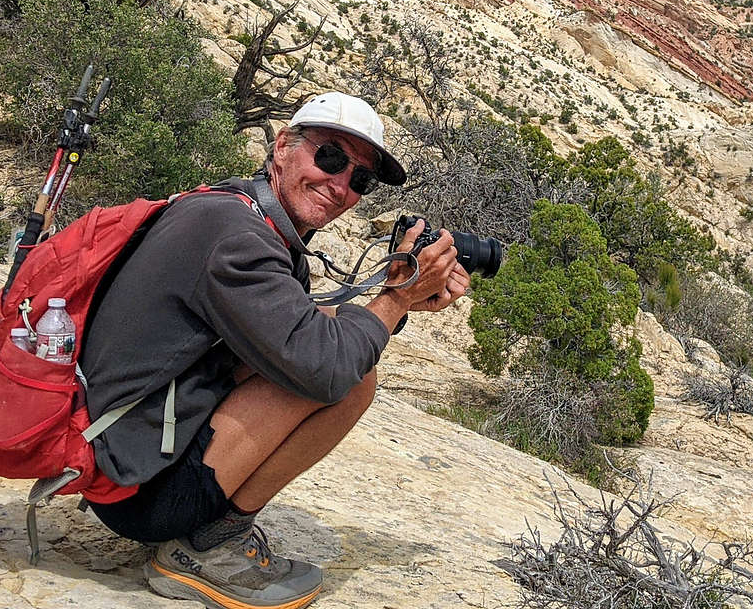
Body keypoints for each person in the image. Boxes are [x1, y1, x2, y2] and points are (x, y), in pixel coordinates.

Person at [77, 91, 468, 609]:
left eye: (359, 179)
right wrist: (395, 299)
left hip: (126, 457)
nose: (340, 183)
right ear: (283, 147)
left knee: (331, 334)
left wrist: (399, 303)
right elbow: (326, 370)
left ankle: (210, 531)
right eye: (329, 157)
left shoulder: (246, 216)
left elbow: (293, 341)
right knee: (352, 378)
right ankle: (209, 546)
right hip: (139, 490)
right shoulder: (235, 235)